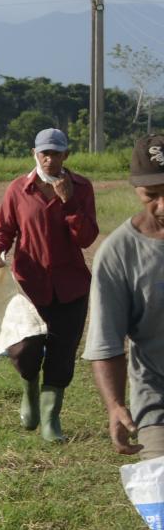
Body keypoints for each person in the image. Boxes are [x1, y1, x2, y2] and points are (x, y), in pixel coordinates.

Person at [0, 128, 98, 442]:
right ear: (34, 154)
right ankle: (29, 390)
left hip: (71, 285)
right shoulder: (19, 189)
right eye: (44, 153)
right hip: (29, 286)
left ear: (67, 155)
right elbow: (2, 231)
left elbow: (86, 238)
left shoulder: (81, 188)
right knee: (25, 348)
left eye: (56, 153)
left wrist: (69, 203)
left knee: (62, 353)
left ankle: (51, 419)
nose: (50, 160)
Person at [84, 135, 164, 458]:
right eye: (152, 195)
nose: (162, 205)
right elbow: (107, 340)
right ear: (135, 190)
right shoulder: (119, 253)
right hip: (157, 399)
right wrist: (116, 405)